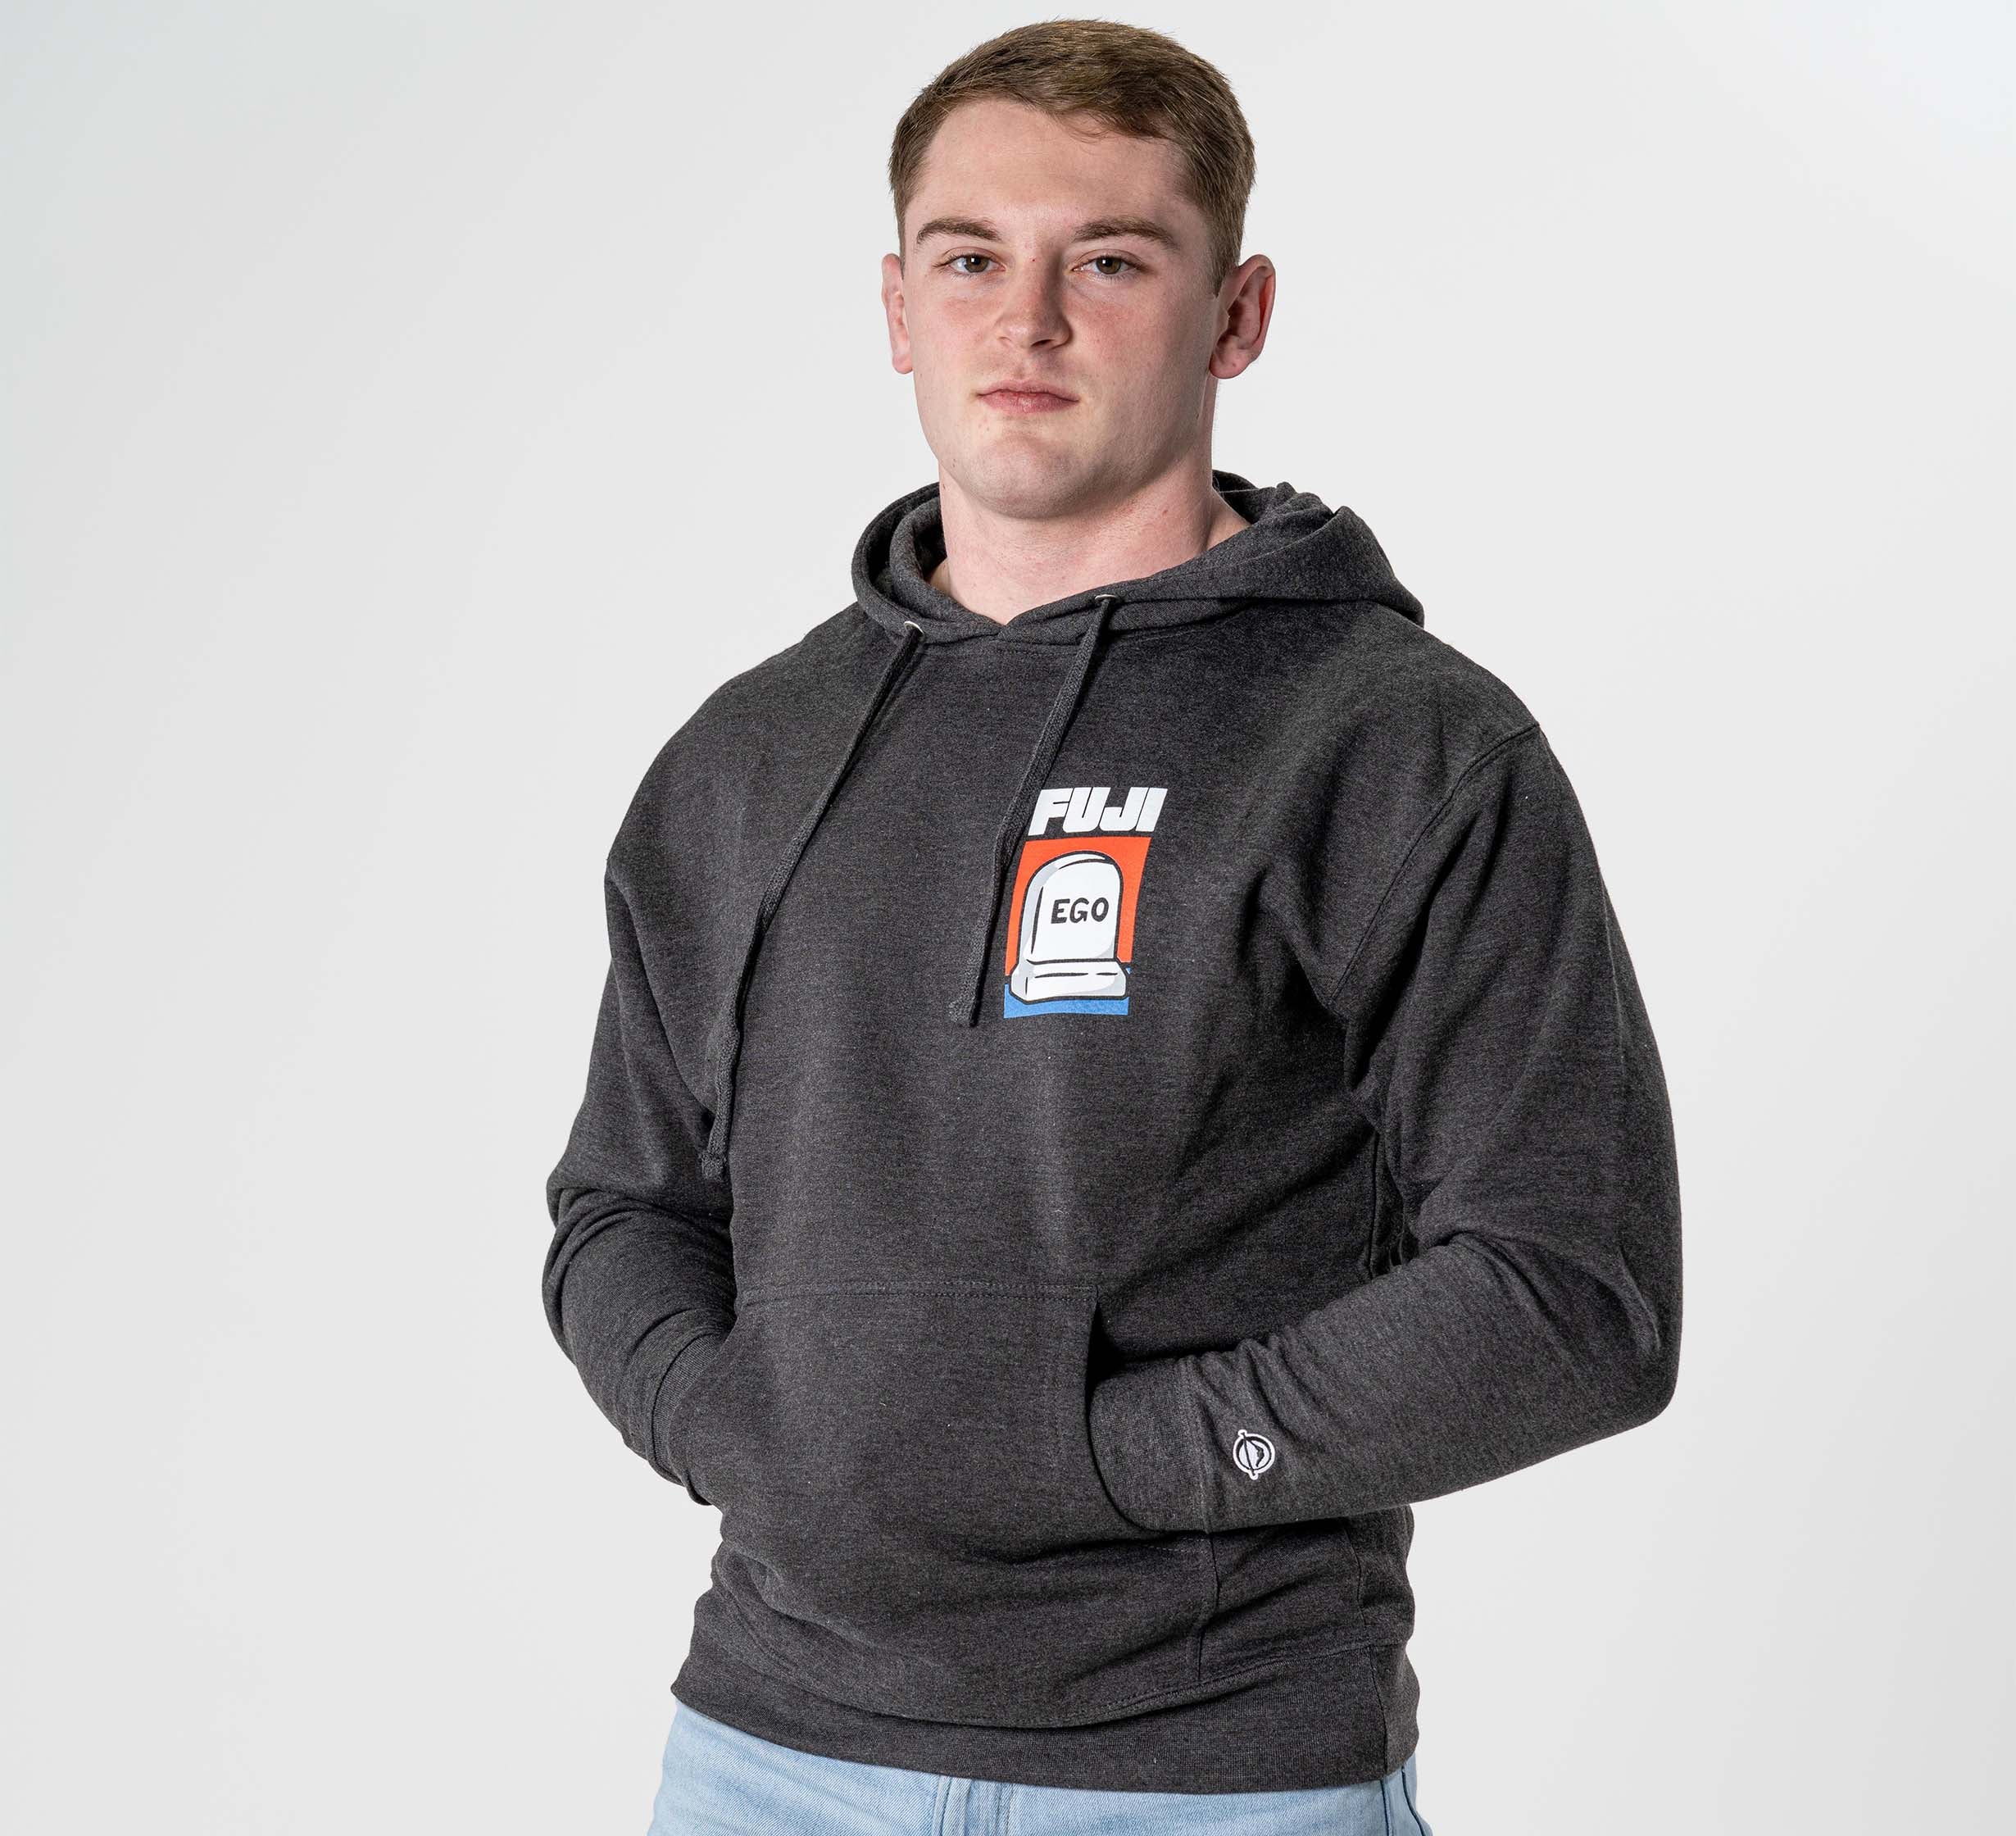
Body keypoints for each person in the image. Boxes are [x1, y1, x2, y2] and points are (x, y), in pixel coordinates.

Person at [543, 19, 1682, 1834]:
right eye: (971, 259)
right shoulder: (744, 756)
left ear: (1236, 317)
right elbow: (621, 1207)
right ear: (898, 308)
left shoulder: (1400, 743)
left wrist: (1103, 1453)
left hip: (1211, 1772)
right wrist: (747, 1434)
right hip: (764, 1757)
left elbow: (1574, 1293)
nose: (1031, 321)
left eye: (1113, 261)